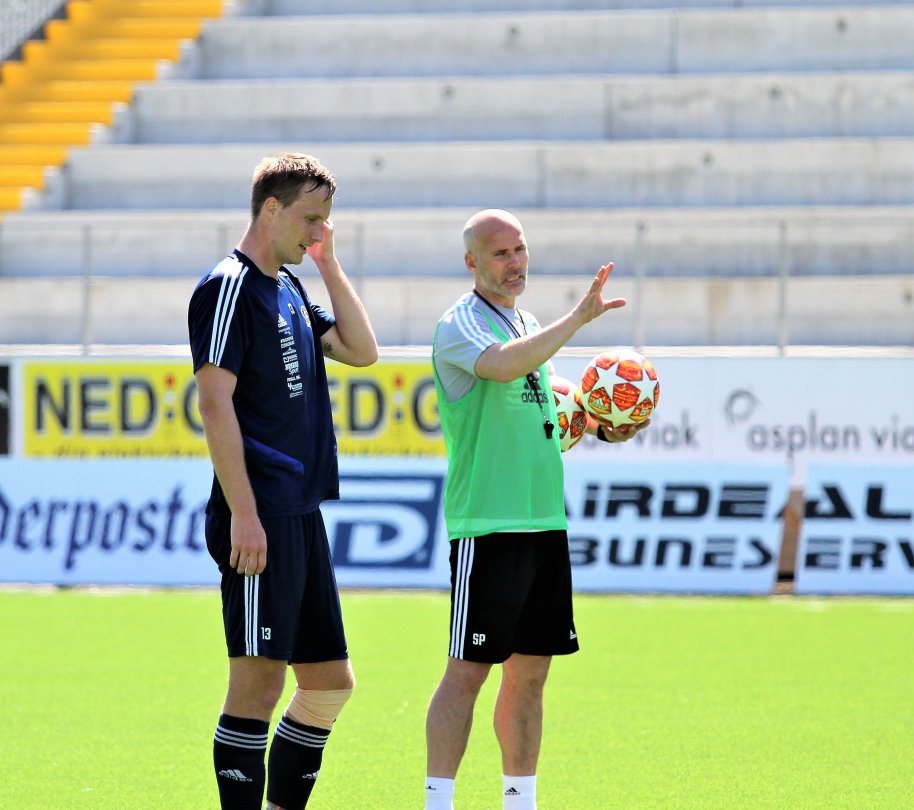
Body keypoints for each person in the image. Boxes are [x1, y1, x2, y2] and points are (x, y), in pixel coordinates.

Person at [425, 209, 646, 810]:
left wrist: (601, 424)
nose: (515, 261)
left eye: (520, 249)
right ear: (472, 262)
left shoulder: (527, 322)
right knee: (468, 671)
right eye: (500, 253)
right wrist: (578, 319)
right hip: (489, 524)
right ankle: (437, 801)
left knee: (530, 677)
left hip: (545, 522)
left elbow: (554, 418)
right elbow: (501, 366)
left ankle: (519, 801)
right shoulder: (460, 325)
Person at [188, 152, 378, 810]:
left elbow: (362, 350)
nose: (318, 231)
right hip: (258, 516)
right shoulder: (228, 287)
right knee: (258, 688)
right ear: (270, 209)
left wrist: (328, 265)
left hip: (299, 514)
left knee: (328, 683)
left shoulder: (291, 288)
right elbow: (214, 405)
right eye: (310, 219)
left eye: (326, 221)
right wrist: (243, 512)